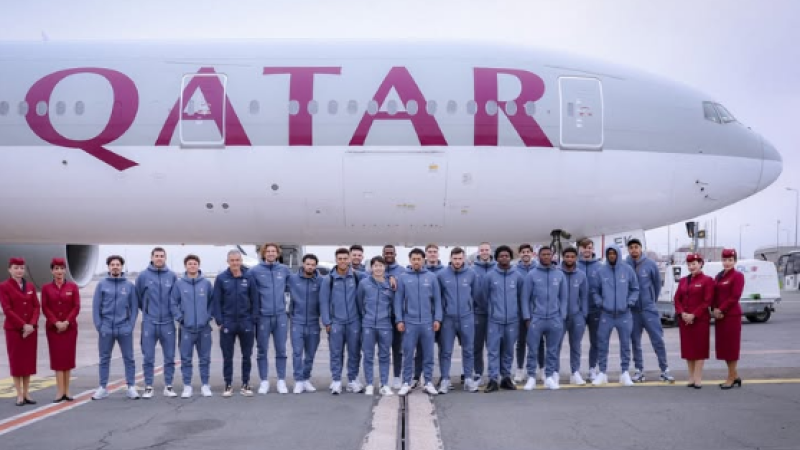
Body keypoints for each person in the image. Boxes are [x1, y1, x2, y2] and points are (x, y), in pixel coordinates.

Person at [625, 239, 674, 383]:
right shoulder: (625, 265)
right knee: (635, 341)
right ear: (628, 250)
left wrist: (651, 301)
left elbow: (657, 284)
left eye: (636, 247)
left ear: (641, 248)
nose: (634, 250)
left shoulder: (650, 264)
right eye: (631, 248)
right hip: (633, 311)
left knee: (657, 339)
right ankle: (639, 371)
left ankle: (664, 370)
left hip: (648, 309)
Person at [395, 248, 442, 396]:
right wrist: (399, 319)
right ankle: (406, 382)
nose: (416, 261)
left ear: (423, 260)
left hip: (428, 322)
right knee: (408, 354)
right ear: (410, 260)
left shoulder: (431, 277)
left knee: (428, 354)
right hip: (410, 322)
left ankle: (428, 382)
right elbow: (398, 301)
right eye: (414, 259)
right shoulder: (403, 278)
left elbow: (437, 300)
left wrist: (437, 318)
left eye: (419, 259)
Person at [92, 255, 139, 400]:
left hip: (124, 328)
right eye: (112, 264)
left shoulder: (129, 286)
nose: (115, 267)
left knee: (129, 358)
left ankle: (131, 387)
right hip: (106, 328)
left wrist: (130, 325)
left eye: (118, 264)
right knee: (104, 358)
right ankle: (102, 387)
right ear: (108, 267)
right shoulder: (101, 285)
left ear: (121, 267)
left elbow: (134, 308)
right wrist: (100, 326)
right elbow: (96, 307)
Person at [320, 247, 367, 394]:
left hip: (354, 321)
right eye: (340, 259)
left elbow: (376, 276)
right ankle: (336, 380)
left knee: (354, 352)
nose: (342, 261)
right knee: (336, 353)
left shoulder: (357, 277)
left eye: (345, 259)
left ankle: (353, 380)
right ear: (336, 260)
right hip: (336, 322)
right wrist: (327, 322)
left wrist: (391, 278)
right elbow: (324, 302)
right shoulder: (329, 279)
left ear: (349, 259)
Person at [592, 244, 639, 387]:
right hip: (606, 314)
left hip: (624, 314)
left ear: (618, 254)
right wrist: (600, 302)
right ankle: (602, 373)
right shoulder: (601, 271)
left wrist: (630, 302)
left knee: (625, 344)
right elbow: (595, 290)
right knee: (602, 344)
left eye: (614, 253)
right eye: (609, 253)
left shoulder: (627, 270)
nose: (612, 256)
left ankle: (624, 372)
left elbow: (635, 289)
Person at [248, 242, 292, 394]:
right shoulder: (254, 271)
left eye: (274, 251)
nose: (271, 253)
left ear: (278, 253)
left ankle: (281, 380)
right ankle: (264, 381)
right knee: (262, 350)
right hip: (263, 317)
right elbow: (249, 292)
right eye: (268, 251)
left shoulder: (284, 270)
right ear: (263, 253)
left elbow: (291, 288)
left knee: (281, 350)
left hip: (280, 316)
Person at [521, 246, 567, 390]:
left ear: (552, 256)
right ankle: (531, 377)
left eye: (548, 254)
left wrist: (562, 316)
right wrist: (527, 317)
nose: (546, 256)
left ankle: (549, 377)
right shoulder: (532, 275)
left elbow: (564, 298)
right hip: (537, 318)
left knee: (552, 350)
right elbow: (525, 298)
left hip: (554, 318)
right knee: (532, 349)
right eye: (543, 254)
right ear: (538, 256)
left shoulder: (559, 275)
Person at [135, 247, 178, 399]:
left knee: (170, 357)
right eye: (157, 256)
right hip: (150, 322)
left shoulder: (172, 276)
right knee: (148, 357)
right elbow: (138, 297)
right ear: (152, 257)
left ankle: (169, 386)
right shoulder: (143, 276)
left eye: (161, 256)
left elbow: (176, 298)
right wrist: (147, 311)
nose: (159, 258)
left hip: (168, 322)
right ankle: (148, 386)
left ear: (165, 258)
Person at [213, 249, 256, 397]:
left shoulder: (249, 277)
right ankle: (228, 384)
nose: (235, 263)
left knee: (247, 355)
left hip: (246, 322)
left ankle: (246, 383)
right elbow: (216, 301)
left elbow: (255, 300)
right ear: (228, 262)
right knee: (227, 356)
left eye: (237, 260)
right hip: (228, 322)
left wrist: (252, 320)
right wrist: (219, 321)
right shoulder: (221, 279)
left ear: (241, 261)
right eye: (232, 260)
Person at [171, 254, 215, 398]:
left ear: (198, 265)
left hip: (204, 328)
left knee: (205, 359)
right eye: (190, 264)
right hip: (186, 328)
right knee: (186, 359)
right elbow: (173, 303)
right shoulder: (179, 284)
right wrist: (180, 318)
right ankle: (187, 386)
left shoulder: (206, 284)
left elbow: (212, 302)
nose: (192, 266)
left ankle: (205, 385)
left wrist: (208, 317)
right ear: (186, 266)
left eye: (195, 263)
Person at [482, 245, 525, 392]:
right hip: (495, 320)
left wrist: (518, 314)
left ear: (510, 258)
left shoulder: (517, 276)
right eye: (501, 256)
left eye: (507, 256)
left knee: (508, 351)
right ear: (497, 258)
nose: (504, 258)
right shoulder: (490, 276)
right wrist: (492, 311)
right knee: (493, 351)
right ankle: (493, 379)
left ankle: (506, 378)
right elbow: (483, 296)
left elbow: (521, 297)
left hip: (512, 320)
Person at [437, 247, 480, 393]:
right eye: (455, 259)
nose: (457, 261)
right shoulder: (442, 275)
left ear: (464, 259)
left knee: (468, 350)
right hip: (448, 319)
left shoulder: (471, 274)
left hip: (466, 318)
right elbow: (439, 298)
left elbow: (475, 295)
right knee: (446, 351)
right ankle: (445, 380)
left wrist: (469, 309)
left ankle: (468, 379)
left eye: (460, 259)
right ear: (450, 259)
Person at [0, 257, 40, 406]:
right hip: (14, 330)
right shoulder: (4, 286)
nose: (19, 271)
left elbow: (36, 306)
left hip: (30, 330)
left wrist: (32, 324)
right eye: (16, 268)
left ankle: (27, 393)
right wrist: (23, 325)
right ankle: (19, 394)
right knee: (17, 363)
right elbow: (7, 309)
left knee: (28, 362)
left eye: (22, 268)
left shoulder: (30, 286)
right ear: (9, 270)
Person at [41, 258, 80, 402]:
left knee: (68, 359)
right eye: (56, 268)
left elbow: (76, 306)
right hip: (54, 329)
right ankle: (59, 391)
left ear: (65, 270)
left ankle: (67, 390)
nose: (59, 271)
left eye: (62, 268)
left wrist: (67, 321)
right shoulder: (46, 288)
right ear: (52, 271)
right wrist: (56, 322)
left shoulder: (72, 287)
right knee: (57, 359)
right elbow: (45, 307)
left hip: (69, 328)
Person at [674, 253, 714, 388]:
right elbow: (677, 299)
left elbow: (707, 301)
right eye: (689, 264)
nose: (691, 267)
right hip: (685, 320)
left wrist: (694, 315)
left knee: (699, 349)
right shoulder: (683, 281)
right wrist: (682, 313)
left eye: (694, 264)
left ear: (701, 264)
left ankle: (698, 377)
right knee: (689, 349)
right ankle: (691, 377)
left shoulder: (707, 280)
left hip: (700, 320)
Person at [357, 256, 395, 396]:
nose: (378, 268)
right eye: (375, 266)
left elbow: (393, 304)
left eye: (381, 265)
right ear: (371, 268)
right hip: (368, 324)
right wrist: (366, 317)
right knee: (368, 355)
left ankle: (384, 384)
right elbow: (359, 303)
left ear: (385, 267)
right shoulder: (364, 283)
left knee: (385, 355)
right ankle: (369, 384)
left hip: (385, 325)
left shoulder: (390, 284)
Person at [288, 254, 323, 394]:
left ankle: (306, 378)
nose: (310, 267)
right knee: (297, 353)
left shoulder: (320, 281)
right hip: (297, 321)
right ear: (303, 264)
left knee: (310, 354)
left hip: (314, 322)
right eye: (308, 264)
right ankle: (298, 380)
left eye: (313, 265)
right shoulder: (292, 279)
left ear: (316, 266)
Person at [713, 249, 745, 389]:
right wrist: (714, 309)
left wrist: (721, 309)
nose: (727, 263)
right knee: (724, 348)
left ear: (735, 261)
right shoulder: (718, 276)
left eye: (730, 260)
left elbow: (735, 296)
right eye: (725, 260)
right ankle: (735, 375)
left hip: (731, 316)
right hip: (720, 316)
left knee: (731, 348)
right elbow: (714, 294)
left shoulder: (738, 276)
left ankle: (731, 377)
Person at [558, 247, 589, 386]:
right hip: (559, 317)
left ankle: (575, 372)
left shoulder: (581, 275)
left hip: (577, 316)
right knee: (556, 346)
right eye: (567, 256)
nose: (569, 259)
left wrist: (583, 314)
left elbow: (584, 296)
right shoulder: (557, 273)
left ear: (576, 258)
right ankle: (554, 372)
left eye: (572, 256)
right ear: (563, 257)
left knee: (576, 346)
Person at [577, 238, 603, 382]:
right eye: (584, 247)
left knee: (595, 342)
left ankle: (592, 369)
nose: (587, 250)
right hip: (579, 311)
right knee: (576, 342)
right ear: (579, 249)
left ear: (593, 249)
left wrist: (601, 303)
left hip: (595, 310)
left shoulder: (600, 266)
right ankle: (575, 370)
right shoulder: (574, 265)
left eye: (589, 247)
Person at [513, 243, 539, 383]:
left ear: (532, 254)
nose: (525, 254)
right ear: (520, 254)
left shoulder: (538, 268)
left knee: (538, 342)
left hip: (536, 312)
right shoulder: (515, 270)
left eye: (528, 251)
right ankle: (519, 369)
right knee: (521, 342)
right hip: (519, 312)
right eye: (523, 252)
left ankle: (540, 368)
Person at [382, 244, 406, 390]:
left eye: (391, 252)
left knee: (398, 349)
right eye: (386, 253)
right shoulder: (377, 269)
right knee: (384, 350)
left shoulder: (402, 271)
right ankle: (384, 379)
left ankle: (397, 377)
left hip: (397, 316)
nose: (389, 255)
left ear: (395, 254)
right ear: (383, 254)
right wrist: (388, 276)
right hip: (382, 316)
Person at [472, 242, 495, 386]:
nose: (484, 252)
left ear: (490, 251)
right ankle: (478, 373)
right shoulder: (472, 270)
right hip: (478, 313)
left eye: (487, 249)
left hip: (495, 315)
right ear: (478, 252)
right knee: (477, 346)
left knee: (494, 347)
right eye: (482, 250)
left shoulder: (497, 268)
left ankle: (494, 374)